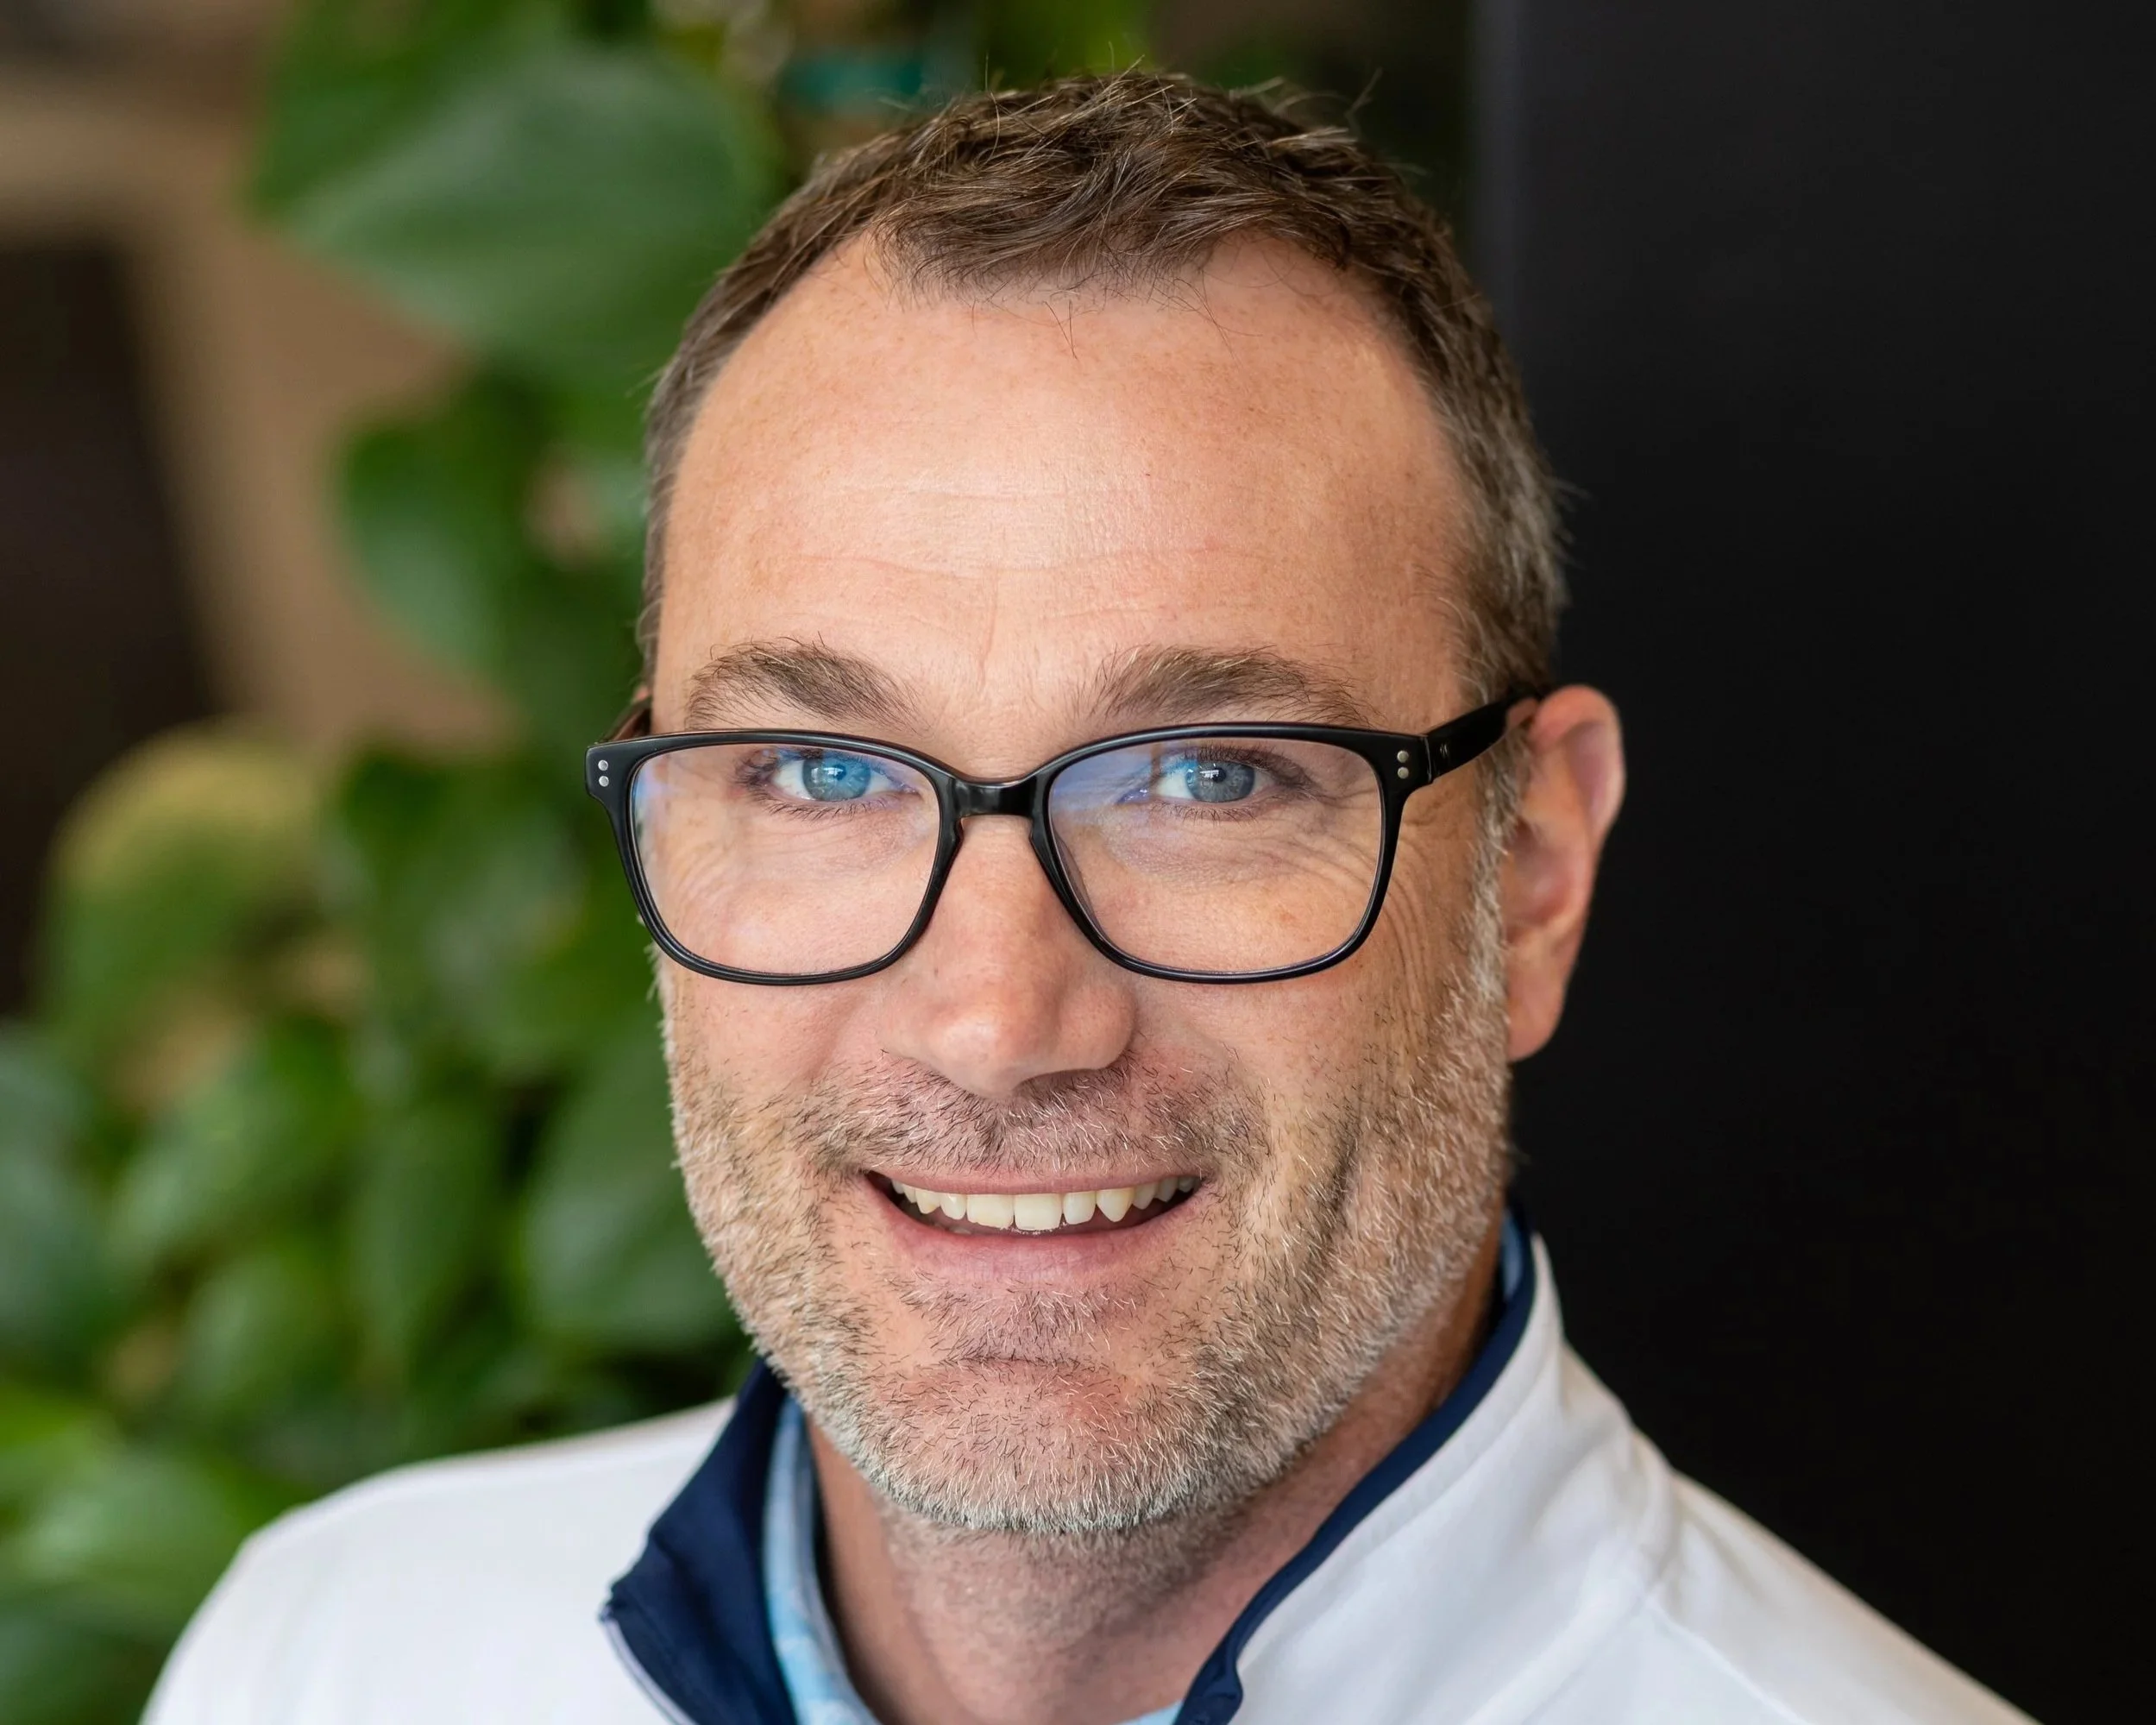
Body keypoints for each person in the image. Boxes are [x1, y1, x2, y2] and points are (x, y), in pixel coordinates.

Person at [146, 72, 2030, 1725]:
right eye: (819, 773)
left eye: (1208, 775)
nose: (992, 1016)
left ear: (1531, 873)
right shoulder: (332, 1657)